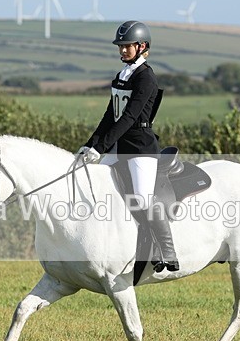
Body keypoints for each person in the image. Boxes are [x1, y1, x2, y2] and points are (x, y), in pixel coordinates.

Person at [77, 20, 179, 272]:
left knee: (142, 198)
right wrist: (90, 145)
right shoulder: (122, 76)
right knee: (96, 185)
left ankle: (167, 250)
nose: (122, 50)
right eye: (120, 46)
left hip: (139, 149)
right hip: (118, 147)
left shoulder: (146, 78)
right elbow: (110, 116)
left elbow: (129, 118)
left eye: (127, 46)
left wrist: (102, 147)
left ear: (142, 46)